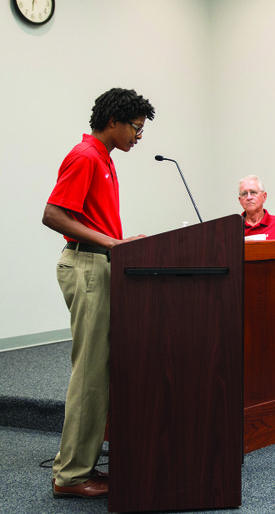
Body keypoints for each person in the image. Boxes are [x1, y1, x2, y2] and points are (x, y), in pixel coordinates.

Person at [42, 88, 155, 498]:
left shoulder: (104, 159)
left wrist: (119, 244)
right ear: (114, 121)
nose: (139, 137)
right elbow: (52, 214)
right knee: (89, 375)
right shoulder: (86, 156)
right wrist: (113, 244)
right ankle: (71, 476)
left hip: (100, 262)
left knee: (99, 372)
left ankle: (82, 466)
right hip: (87, 266)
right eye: (136, 128)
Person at [238, 175, 275, 240]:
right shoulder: (232, 229)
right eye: (244, 194)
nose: (249, 197)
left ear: (264, 196)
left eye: (253, 192)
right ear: (240, 200)